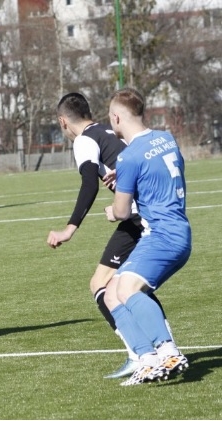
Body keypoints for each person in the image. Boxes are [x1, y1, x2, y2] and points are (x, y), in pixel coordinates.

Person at [46, 92, 174, 379]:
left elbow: (89, 182)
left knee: (103, 284)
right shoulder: (107, 129)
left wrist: (70, 228)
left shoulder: (84, 140)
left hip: (138, 218)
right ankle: (161, 349)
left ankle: (142, 354)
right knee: (124, 285)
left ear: (62, 121)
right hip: (145, 213)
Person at [103, 87, 191, 386]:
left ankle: (168, 351)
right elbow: (165, 171)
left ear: (116, 117)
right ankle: (147, 359)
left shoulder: (129, 157)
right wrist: (132, 179)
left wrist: (111, 211)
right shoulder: (166, 138)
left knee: (127, 288)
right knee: (112, 290)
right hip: (179, 230)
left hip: (162, 236)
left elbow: (123, 210)